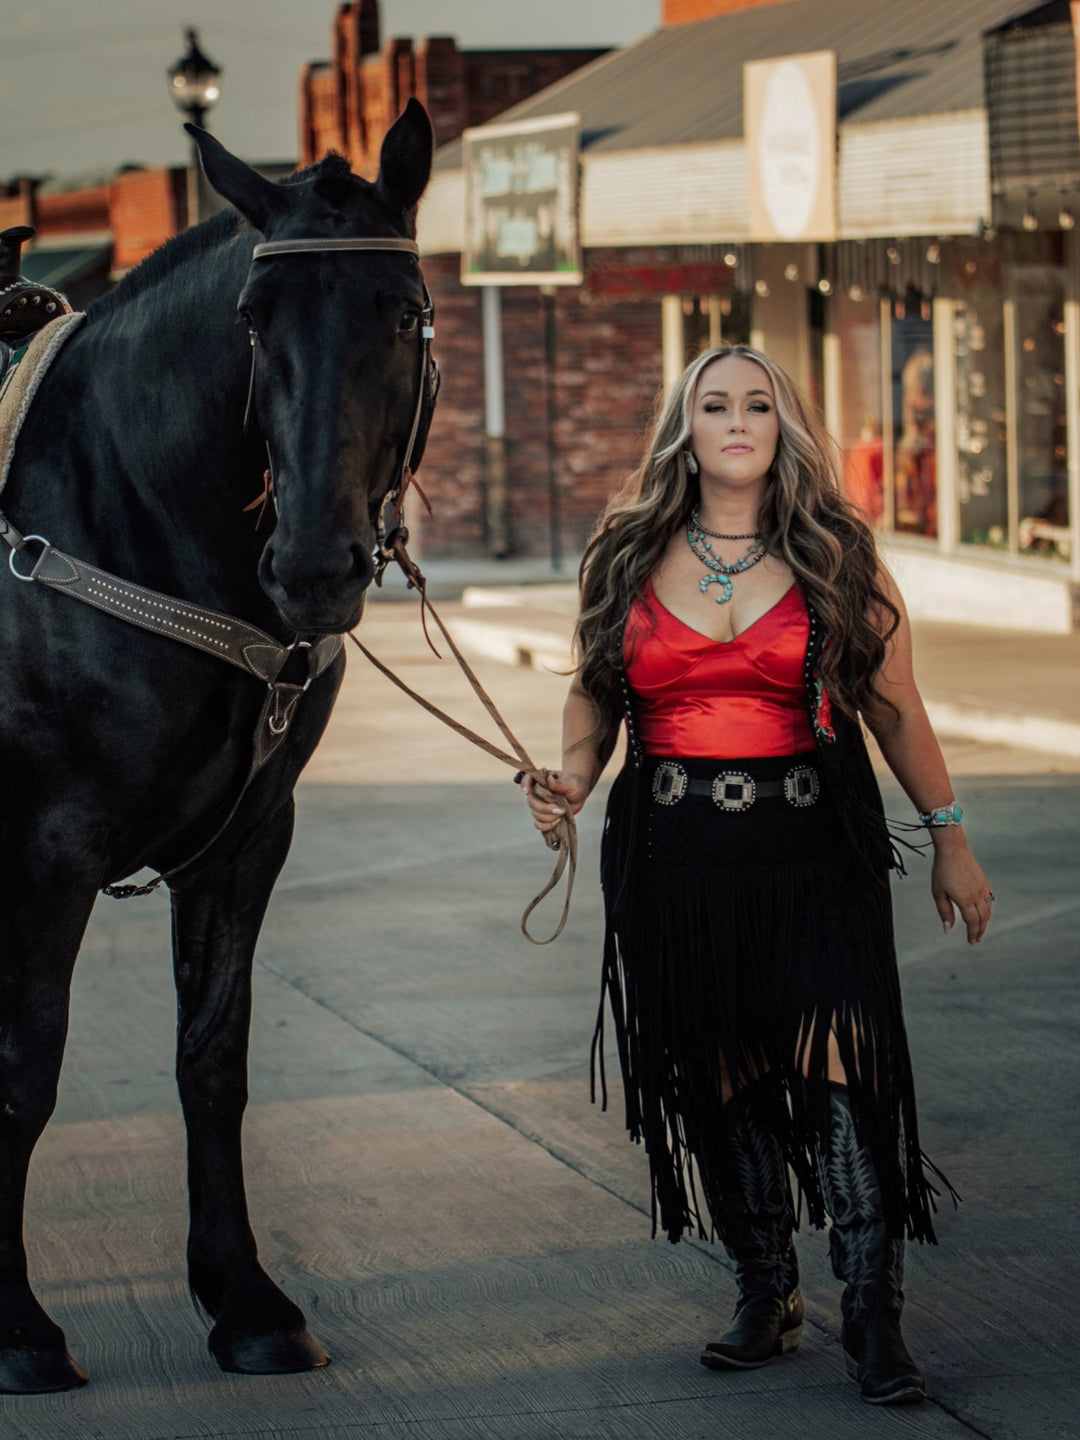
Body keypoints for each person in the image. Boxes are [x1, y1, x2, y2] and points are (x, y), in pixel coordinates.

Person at [521, 344, 993, 1407]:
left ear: (787, 425)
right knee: (721, 1080)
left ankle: (873, 1317)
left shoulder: (838, 550)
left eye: (759, 404)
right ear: (683, 426)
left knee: (843, 1080)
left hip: (812, 854)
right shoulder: (625, 549)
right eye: (715, 404)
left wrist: (950, 835)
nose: (737, 421)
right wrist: (572, 780)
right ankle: (764, 1290)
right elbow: (596, 695)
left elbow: (895, 706)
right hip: (677, 860)